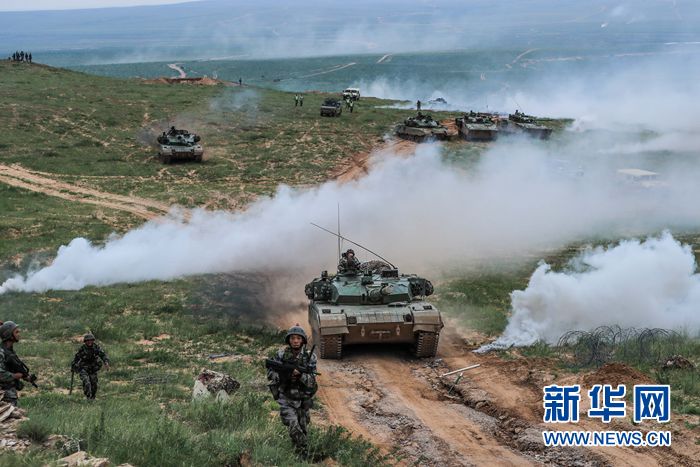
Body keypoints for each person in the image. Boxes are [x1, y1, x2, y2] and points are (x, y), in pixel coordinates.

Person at [267, 325, 317, 458]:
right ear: (288, 340)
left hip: (303, 400)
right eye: (293, 338)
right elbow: (270, 373)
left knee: (303, 429)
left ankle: (299, 455)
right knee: (293, 426)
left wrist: (300, 375)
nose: (295, 341)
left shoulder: (310, 357)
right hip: (286, 398)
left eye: (298, 338)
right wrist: (284, 375)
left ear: (303, 340)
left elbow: (312, 382)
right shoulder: (281, 354)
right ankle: (307, 452)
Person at [71, 333, 110, 400]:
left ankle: (92, 398)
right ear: (85, 341)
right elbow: (77, 358)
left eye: (91, 340)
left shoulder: (96, 347)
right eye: (87, 340)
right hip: (84, 368)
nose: (89, 342)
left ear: (93, 341)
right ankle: (88, 397)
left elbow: (103, 355)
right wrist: (74, 366)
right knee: (86, 382)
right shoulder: (82, 349)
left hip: (93, 368)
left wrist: (106, 362)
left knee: (94, 383)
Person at [0, 321, 29, 406]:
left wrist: (25, 376)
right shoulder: (2, 352)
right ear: (9, 335)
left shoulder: (9, 351)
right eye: (16, 332)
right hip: (4, 394)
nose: (19, 334)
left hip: (9, 392)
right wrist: (15, 376)